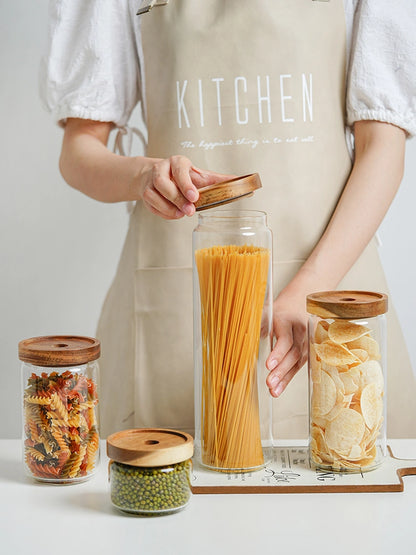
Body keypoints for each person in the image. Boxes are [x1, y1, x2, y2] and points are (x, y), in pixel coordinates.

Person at [40, 0, 416, 439]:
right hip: (176, 315)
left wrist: (308, 290)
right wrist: (143, 176)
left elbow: (382, 147)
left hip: (327, 296)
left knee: (349, 482)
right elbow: (79, 153)